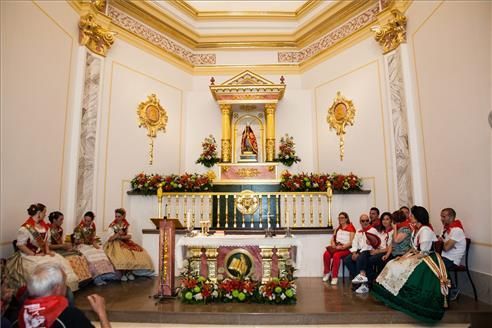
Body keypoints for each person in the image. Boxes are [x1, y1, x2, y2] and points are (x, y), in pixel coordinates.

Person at [372, 206, 449, 323]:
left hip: (427, 259)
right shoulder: (416, 230)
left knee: (400, 267)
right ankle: (391, 294)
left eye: (412, 216)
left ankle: (400, 297)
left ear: (418, 218)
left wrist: (408, 260)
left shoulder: (426, 231)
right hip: (417, 255)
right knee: (392, 263)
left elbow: (424, 251)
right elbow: (413, 248)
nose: (410, 217)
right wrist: (402, 257)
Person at [5, 204, 79, 293]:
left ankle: (62, 290)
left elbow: (46, 242)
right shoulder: (25, 228)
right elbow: (20, 245)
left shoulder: (44, 227)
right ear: (39, 213)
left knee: (61, 262)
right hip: (29, 256)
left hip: (43, 253)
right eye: (44, 212)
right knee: (44, 268)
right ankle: (48, 292)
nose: (45, 215)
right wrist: (34, 254)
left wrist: (47, 251)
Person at [14, 263, 111, 328]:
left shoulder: (16, 318)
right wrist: (101, 313)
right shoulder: (70, 316)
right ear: (57, 288)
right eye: (64, 282)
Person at [104, 208, 154, 281]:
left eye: (119, 216)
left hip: (125, 241)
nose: (117, 218)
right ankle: (123, 273)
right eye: (116, 216)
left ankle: (129, 272)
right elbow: (110, 238)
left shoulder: (126, 225)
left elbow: (129, 236)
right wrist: (117, 234)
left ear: (124, 216)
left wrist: (121, 237)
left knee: (135, 253)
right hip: (115, 243)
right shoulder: (112, 225)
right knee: (122, 254)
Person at [73, 212, 117, 286]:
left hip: (90, 245)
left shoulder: (92, 226)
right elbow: (76, 241)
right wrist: (84, 241)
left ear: (92, 221)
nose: (86, 222)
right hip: (81, 245)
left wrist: (95, 244)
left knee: (101, 252)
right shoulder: (78, 228)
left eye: (89, 221)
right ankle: (96, 277)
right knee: (90, 255)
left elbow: (93, 238)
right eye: (85, 220)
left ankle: (105, 274)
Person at [48, 211, 92, 286]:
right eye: (61, 220)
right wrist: (63, 246)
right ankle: (76, 280)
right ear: (54, 220)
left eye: (63, 219)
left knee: (79, 255)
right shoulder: (48, 229)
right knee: (72, 258)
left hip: (60, 248)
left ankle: (85, 279)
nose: (62, 222)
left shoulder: (60, 229)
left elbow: (62, 242)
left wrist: (66, 246)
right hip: (53, 250)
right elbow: (48, 245)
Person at [344, 214, 381, 294]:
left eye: (367, 220)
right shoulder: (358, 230)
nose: (365, 222)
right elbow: (354, 242)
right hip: (359, 250)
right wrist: (354, 252)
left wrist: (358, 253)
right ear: (360, 222)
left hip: (369, 250)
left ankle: (361, 281)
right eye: (363, 221)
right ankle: (360, 279)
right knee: (347, 260)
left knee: (361, 257)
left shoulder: (373, 230)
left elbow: (372, 245)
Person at [438, 208, 466, 301]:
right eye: (441, 216)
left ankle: (453, 290)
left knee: (438, 266)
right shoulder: (445, 229)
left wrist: (442, 242)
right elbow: (443, 244)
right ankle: (440, 291)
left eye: (443, 216)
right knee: (429, 263)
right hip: (444, 256)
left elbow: (446, 248)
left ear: (451, 217)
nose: (441, 219)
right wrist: (443, 242)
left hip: (452, 259)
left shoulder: (457, 230)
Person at [322, 212, 355, 285]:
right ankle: (327, 273)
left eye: (342, 218)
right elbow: (332, 238)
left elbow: (352, 242)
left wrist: (343, 247)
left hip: (346, 248)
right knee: (326, 254)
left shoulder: (351, 228)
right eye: (339, 218)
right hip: (337, 247)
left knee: (336, 256)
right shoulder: (337, 228)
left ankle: (334, 277)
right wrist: (333, 243)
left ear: (346, 219)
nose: (340, 219)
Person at [368, 212, 394, 279]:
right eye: (383, 219)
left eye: (387, 219)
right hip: (380, 251)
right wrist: (370, 242)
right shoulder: (381, 232)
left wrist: (378, 251)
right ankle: (366, 279)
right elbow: (378, 243)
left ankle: (373, 279)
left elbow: (391, 247)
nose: (385, 221)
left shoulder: (393, 231)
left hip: (388, 252)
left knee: (371, 259)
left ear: (391, 220)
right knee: (365, 256)